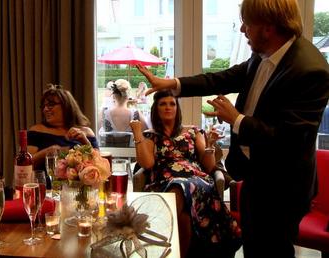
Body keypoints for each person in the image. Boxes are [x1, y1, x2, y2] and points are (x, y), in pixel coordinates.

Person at [136, 0, 329, 257]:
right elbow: (223, 78)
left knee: (273, 252)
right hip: (254, 175)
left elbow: (289, 139)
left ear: (268, 27)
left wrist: (236, 119)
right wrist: (172, 83)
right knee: (253, 249)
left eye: (247, 24)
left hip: (282, 188)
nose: (242, 30)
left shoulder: (311, 71)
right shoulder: (265, 53)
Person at [130, 90, 241, 258]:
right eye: (163, 104)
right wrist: (137, 133)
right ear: (156, 109)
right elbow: (147, 164)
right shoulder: (151, 135)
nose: (168, 107)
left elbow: (209, 166)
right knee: (183, 215)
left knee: (181, 185)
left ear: (177, 108)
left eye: (172, 103)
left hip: (196, 180)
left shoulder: (193, 131)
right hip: (164, 180)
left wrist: (210, 145)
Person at [27, 84, 99, 171]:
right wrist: (46, 153)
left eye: (51, 104)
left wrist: (85, 142)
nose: (45, 109)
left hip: (80, 184)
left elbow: (100, 165)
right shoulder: (36, 131)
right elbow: (24, 165)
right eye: (43, 106)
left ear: (66, 106)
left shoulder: (86, 132)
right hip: (46, 183)